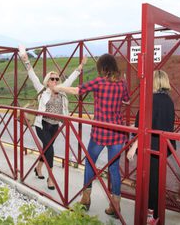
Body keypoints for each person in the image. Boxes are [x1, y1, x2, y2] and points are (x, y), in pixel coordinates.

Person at [53, 53, 130, 218]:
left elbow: (76, 90)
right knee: (114, 168)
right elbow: (126, 101)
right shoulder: (122, 84)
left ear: (102, 68)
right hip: (117, 133)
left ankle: (86, 199)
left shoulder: (99, 82)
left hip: (100, 133)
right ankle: (115, 206)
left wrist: (58, 88)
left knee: (90, 162)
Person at [18, 45, 87, 190]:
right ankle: (50, 178)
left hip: (55, 125)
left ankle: (38, 168)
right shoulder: (42, 90)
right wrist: (26, 61)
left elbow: (72, 79)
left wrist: (81, 66)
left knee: (46, 148)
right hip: (42, 125)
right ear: (47, 81)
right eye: (52, 79)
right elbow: (32, 75)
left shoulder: (62, 90)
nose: (55, 81)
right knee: (50, 150)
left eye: (57, 79)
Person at [127, 70, 175, 224]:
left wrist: (134, 145)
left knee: (149, 181)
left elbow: (144, 126)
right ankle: (156, 213)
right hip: (164, 146)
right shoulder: (169, 100)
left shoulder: (150, 100)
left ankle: (150, 214)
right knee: (157, 179)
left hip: (150, 146)